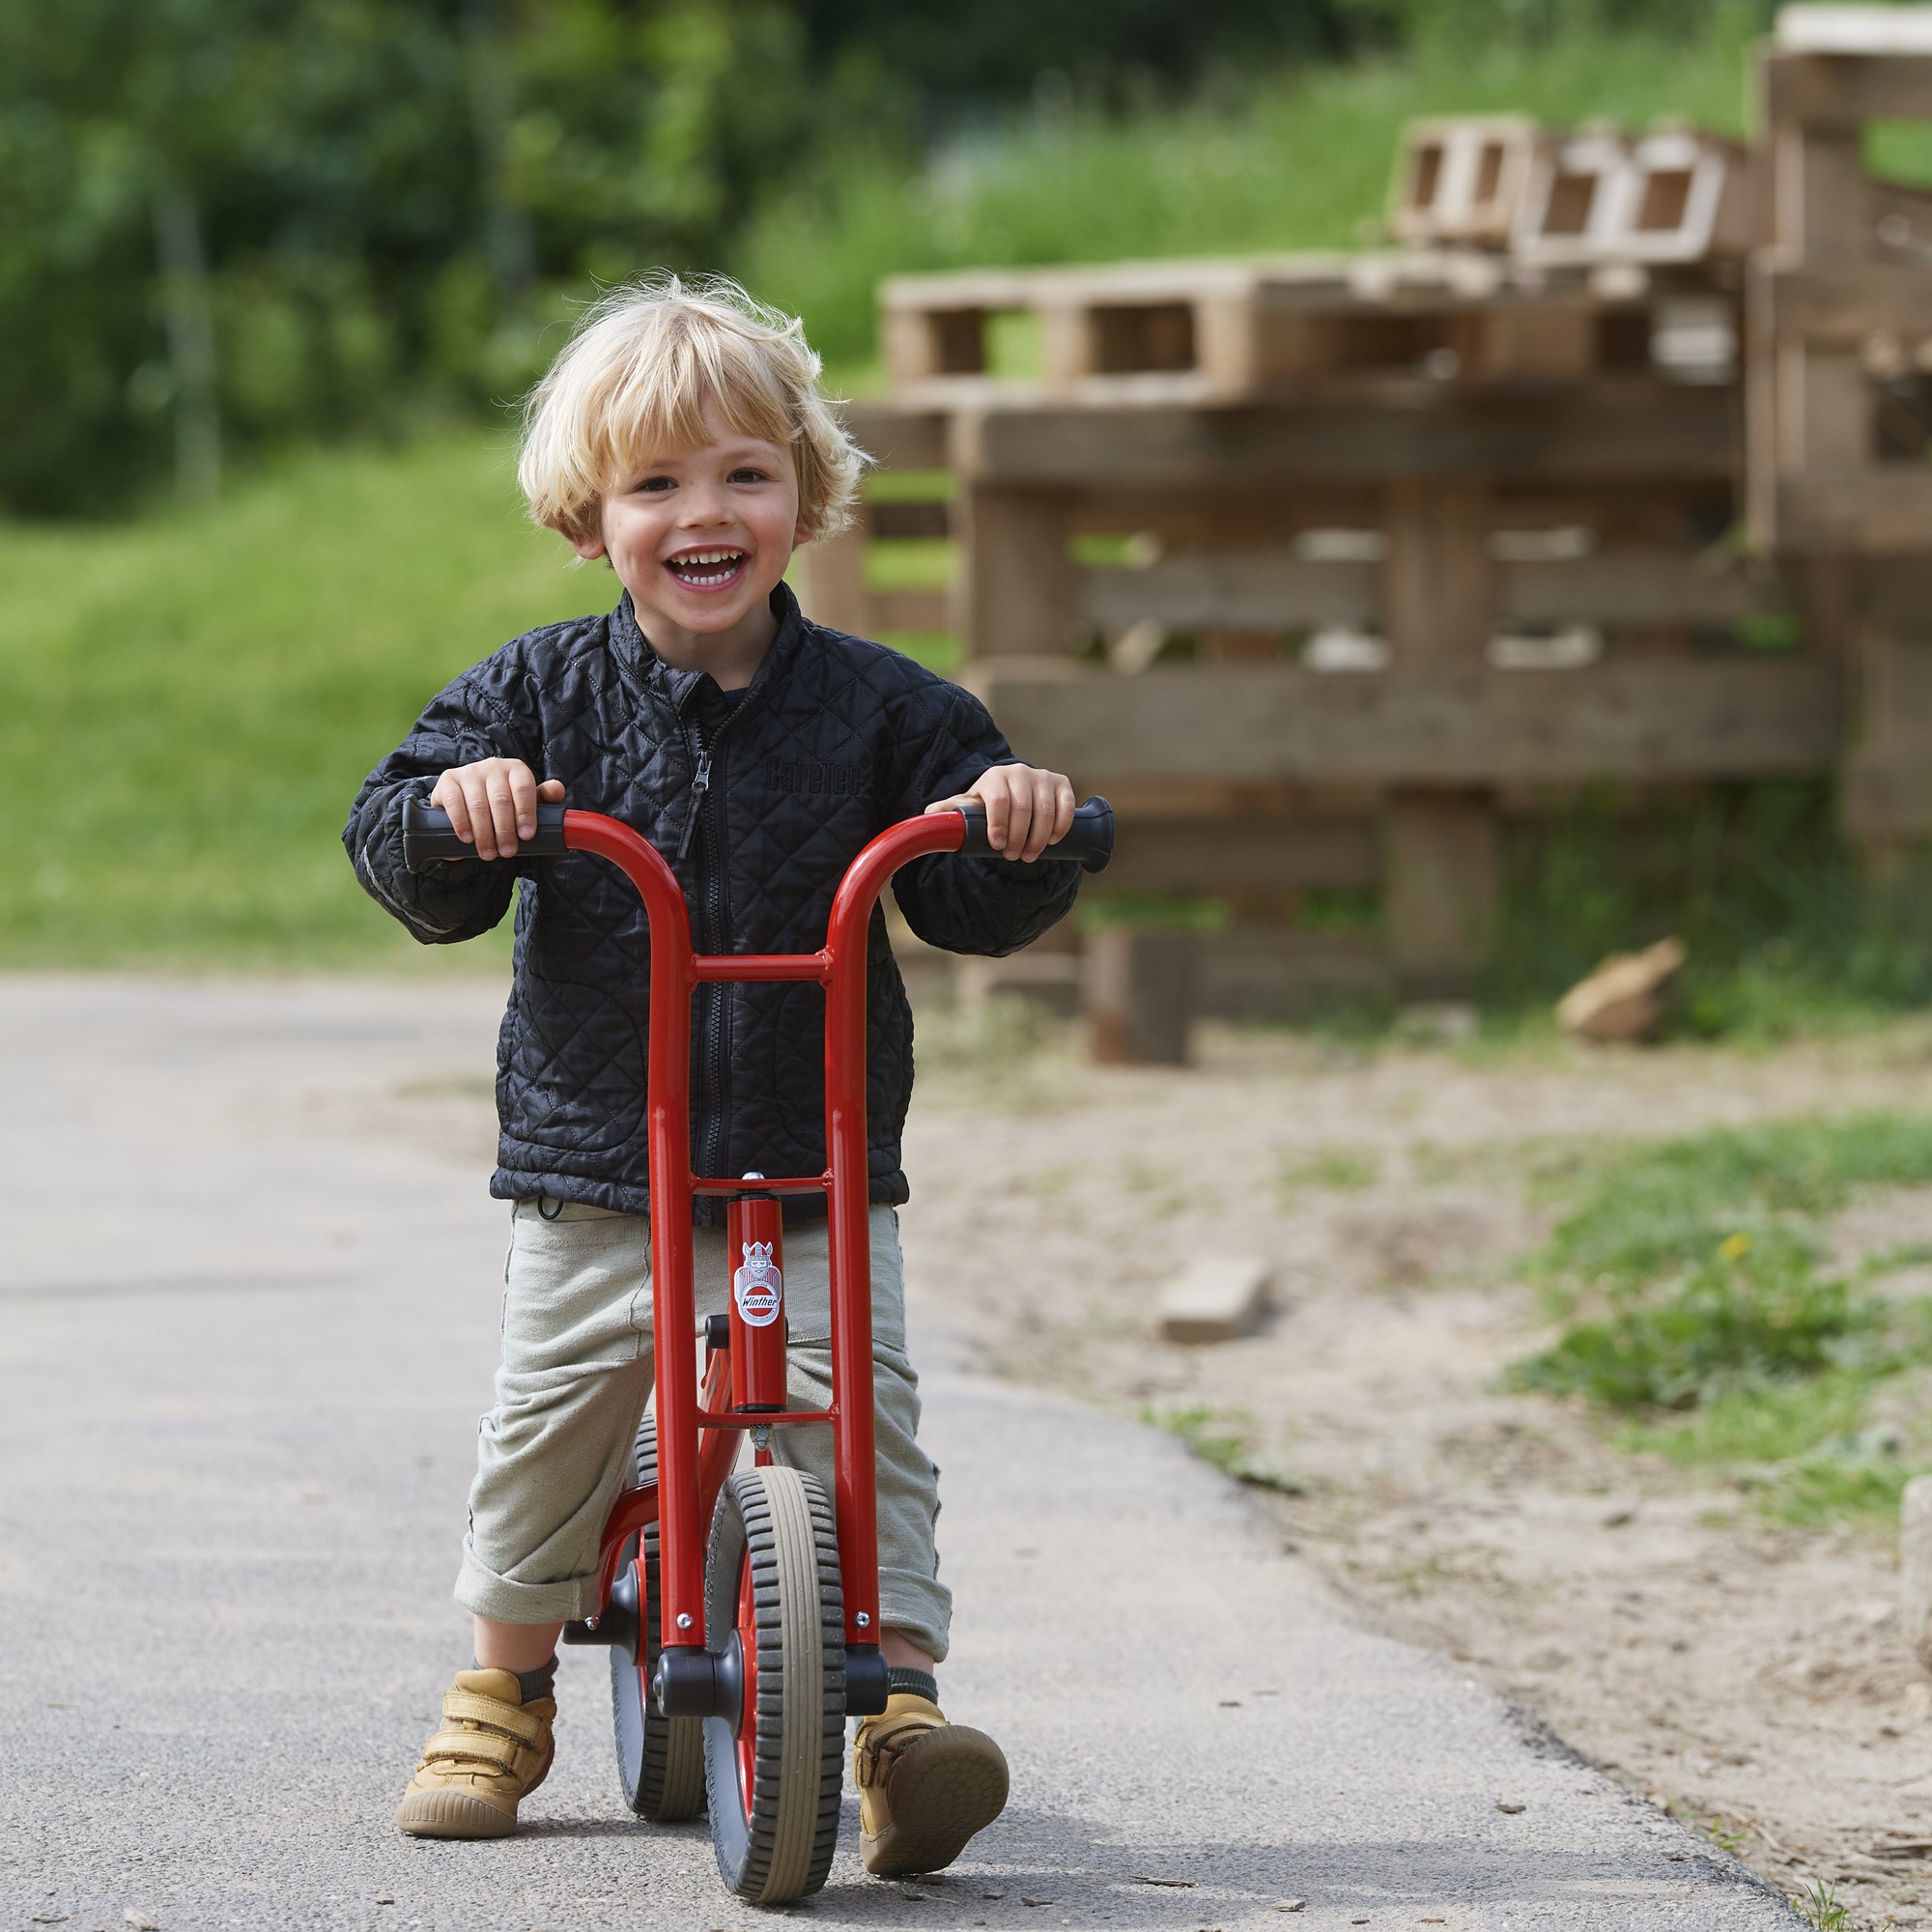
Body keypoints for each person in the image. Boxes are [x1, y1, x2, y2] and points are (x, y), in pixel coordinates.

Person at [342, 272, 1083, 1877]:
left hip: (810, 1158)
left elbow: (960, 884)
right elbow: (400, 842)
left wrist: (1011, 827)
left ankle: (890, 1714)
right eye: (658, 483)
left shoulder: (888, 708)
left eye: (746, 474)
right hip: (605, 1159)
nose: (706, 513)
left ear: (804, 500)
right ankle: (503, 1688)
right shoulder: (538, 694)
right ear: (587, 514)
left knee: (860, 1421)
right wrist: (453, 811)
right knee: (550, 1417)